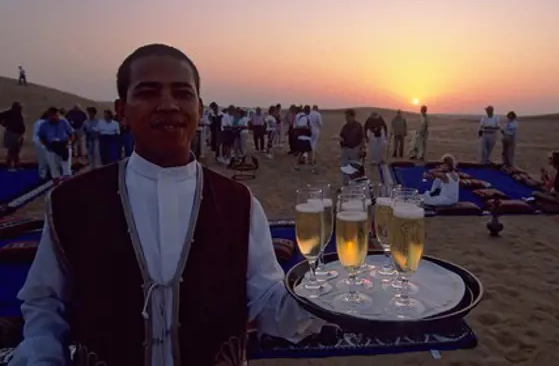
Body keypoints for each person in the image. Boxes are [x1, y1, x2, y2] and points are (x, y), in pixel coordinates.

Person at [10, 43, 325, 366]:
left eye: (182, 93)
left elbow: (266, 302)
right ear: (122, 111)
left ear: (199, 109)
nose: (168, 105)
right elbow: (45, 303)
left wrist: (326, 295)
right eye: (148, 93)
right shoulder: (73, 202)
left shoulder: (238, 202)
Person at [37, 107, 73, 182]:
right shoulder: (44, 125)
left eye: (56, 115)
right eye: (52, 115)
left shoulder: (64, 122)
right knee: (54, 171)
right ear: (49, 115)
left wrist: (68, 143)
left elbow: (71, 134)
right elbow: (41, 137)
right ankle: (56, 186)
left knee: (66, 171)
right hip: (51, 149)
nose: (54, 117)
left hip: (64, 147)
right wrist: (47, 145)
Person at [0, 101, 26, 170]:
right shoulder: (8, 113)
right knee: (11, 151)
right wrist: (4, 124)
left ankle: (16, 165)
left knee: (17, 151)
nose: (21, 108)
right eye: (19, 107)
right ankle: (9, 166)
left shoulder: (18, 114)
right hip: (11, 133)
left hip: (19, 134)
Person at [292, 105, 313, 171]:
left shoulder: (298, 115)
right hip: (304, 137)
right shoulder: (305, 118)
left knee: (302, 152)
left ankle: (296, 165)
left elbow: (295, 125)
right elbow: (302, 126)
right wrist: (307, 128)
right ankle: (312, 167)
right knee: (308, 152)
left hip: (300, 136)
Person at [32, 111, 50, 179]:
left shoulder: (37, 122)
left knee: (42, 159)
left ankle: (43, 174)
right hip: (41, 142)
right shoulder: (44, 123)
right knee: (44, 160)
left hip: (37, 142)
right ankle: (43, 175)